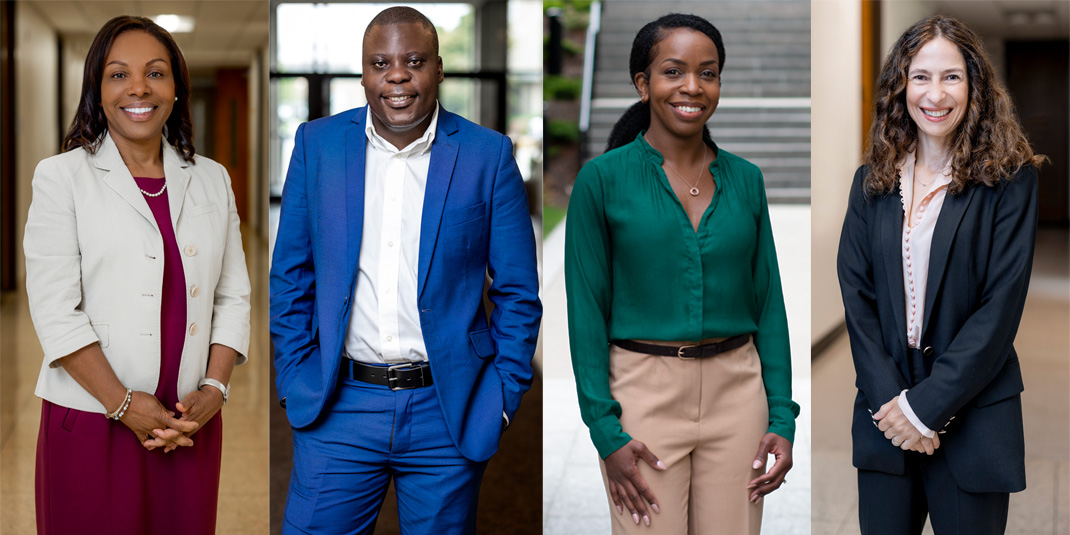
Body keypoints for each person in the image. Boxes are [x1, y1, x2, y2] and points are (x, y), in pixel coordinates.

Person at [269, 6, 541, 534]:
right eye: (380, 63)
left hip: (449, 408)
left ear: (438, 69)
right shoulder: (317, 146)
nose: (397, 75)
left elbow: (518, 292)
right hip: (339, 406)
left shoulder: (488, 155)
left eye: (413, 61)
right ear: (365, 73)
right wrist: (294, 377)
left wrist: (501, 398)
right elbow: (290, 277)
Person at [565, 13, 798, 535]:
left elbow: (770, 306)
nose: (692, 87)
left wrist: (782, 418)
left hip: (738, 393)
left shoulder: (746, 180)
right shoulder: (601, 181)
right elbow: (585, 314)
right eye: (674, 71)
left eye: (708, 72)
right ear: (643, 84)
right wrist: (606, 431)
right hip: (643, 394)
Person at [24, 15, 251, 535]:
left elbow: (232, 296)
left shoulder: (213, 179)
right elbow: (56, 311)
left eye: (155, 72)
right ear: (97, 91)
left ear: (175, 88)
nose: (138, 88)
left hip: (187, 420)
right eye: (118, 74)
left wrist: (215, 387)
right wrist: (123, 405)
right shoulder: (62, 177)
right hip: (93, 417)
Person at [837, 15, 1045, 535]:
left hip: (974, 410)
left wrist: (926, 409)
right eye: (921, 76)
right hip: (884, 412)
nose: (935, 93)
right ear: (901, 85)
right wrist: (894, 405)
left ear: (975, 87)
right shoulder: (872, 181)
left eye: (951, 76)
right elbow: (857, 298)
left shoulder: (1010, 181)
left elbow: (1000, 308)